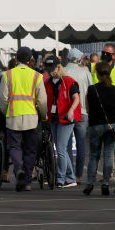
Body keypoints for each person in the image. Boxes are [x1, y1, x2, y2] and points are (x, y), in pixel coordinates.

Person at [0, 46, 48, 191]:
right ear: (30, 59)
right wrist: (43, 115)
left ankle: (18, 168)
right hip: (31, 117)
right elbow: (42, 100)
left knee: (14, 147)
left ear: (16, 58)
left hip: (13, 116)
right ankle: (26, 181)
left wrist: (6, 111)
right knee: (30, 149)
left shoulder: (7, 75)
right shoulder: (36, 76)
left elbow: (3, 98)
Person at [83, 62, 115, 196]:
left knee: (94, 155)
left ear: (97, 74)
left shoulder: (91, 89)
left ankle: (89, 183)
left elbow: (87, 109)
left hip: (95, 124)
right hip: (112, 124)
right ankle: (105, 183)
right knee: (108, 154)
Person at [42, 55, 81, 188]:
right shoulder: (48, 82)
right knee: (62, 149)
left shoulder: (69, 81)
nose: (50, 71)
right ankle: (70, 178)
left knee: (60, 148)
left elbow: (76, 98)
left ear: (59, 67)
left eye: (52, 68)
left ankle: (60, 178)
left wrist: (71, 110)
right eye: (48, 68)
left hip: (66, 119)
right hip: (53, 118)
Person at [62, 48, 93, 183]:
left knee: (66, 144)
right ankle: (78, 175)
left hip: (67, 111)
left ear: (68, 58)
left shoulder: (63, 71)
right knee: (81, 144)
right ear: (80, 59)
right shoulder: (86, 72)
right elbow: (91, 92)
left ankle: (69, 174)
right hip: (83, 111)